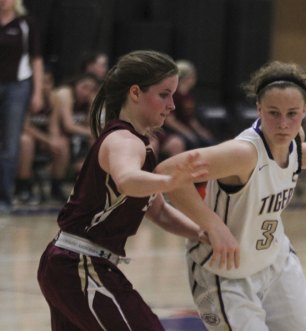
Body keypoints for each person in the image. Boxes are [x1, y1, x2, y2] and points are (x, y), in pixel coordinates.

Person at [155, 61, 306, 331]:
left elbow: (297, 151)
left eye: (292, 114)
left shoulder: (292, 137)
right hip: (225, 273)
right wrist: (212, 224)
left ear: (305, 111)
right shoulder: (243, 154)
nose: (283, 123)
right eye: (273, 113)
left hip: (275, 262)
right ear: (258, 109)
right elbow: (169, 172)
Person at [37, 50, 239, 330]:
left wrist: (202, 233)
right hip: (80, 265)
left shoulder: (138, 142)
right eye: (164, 94)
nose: (172, 105)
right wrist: (171, 182)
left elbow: (159, 212)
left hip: (72, 265)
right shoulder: (123, 140)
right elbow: (127, 179)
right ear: (135, 93)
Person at [0, 0, 44, 213]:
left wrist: (37, 92)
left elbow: (36, 59)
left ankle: (5, 198)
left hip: (17, 86)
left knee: (10, 144)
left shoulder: (25, 23)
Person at [15, 68, 69, 204]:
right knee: (26, 141)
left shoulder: (54, 99)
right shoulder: (23, 98)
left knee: (62, 142)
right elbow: (25, 127)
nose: (46, 86)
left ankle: (56, 186)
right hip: (22, 138)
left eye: (48, 82)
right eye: (42, 82)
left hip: (41, 139)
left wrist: (54, 140)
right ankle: (23, 187)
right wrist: (48, 140)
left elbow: (53, 125)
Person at [160, 59, 216, 155]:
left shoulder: (189, 96)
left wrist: (201, 131)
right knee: (193, 142)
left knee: (209, 142)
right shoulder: (173, 95)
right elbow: (170, 120)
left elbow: (191, 119)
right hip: (173, 131)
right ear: (187, 77)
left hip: (186, 130)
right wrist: (187, 133)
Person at [52, 72, 99, 181]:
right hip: (54, 135)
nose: (86, 92)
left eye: (91, 89)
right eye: (84, 87)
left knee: (95, 141)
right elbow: (69, 126)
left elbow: (92, 124)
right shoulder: (65, 93)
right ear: (75, 84)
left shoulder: (89, 99)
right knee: (63, 144)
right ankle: (56, 185)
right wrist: (93, 132)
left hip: (75, 139)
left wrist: (93, 102)